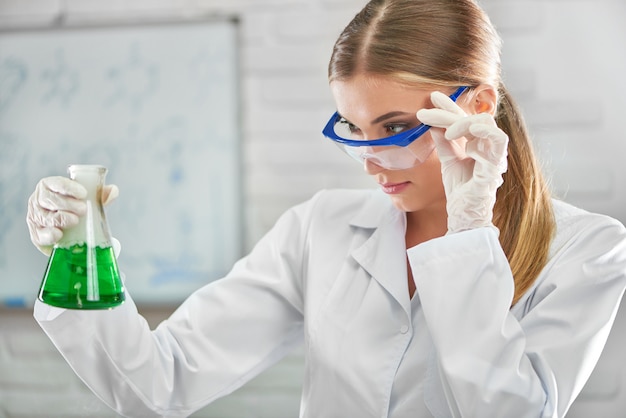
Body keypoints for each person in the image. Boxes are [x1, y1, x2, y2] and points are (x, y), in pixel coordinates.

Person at [26, 0, 626, 417]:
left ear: (476, 105)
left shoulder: (587, 250)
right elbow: (159, 383)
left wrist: (469, 235)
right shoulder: (321, 228)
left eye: (393, 128)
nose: (370, 163)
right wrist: (81, 260)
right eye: (353, 128)